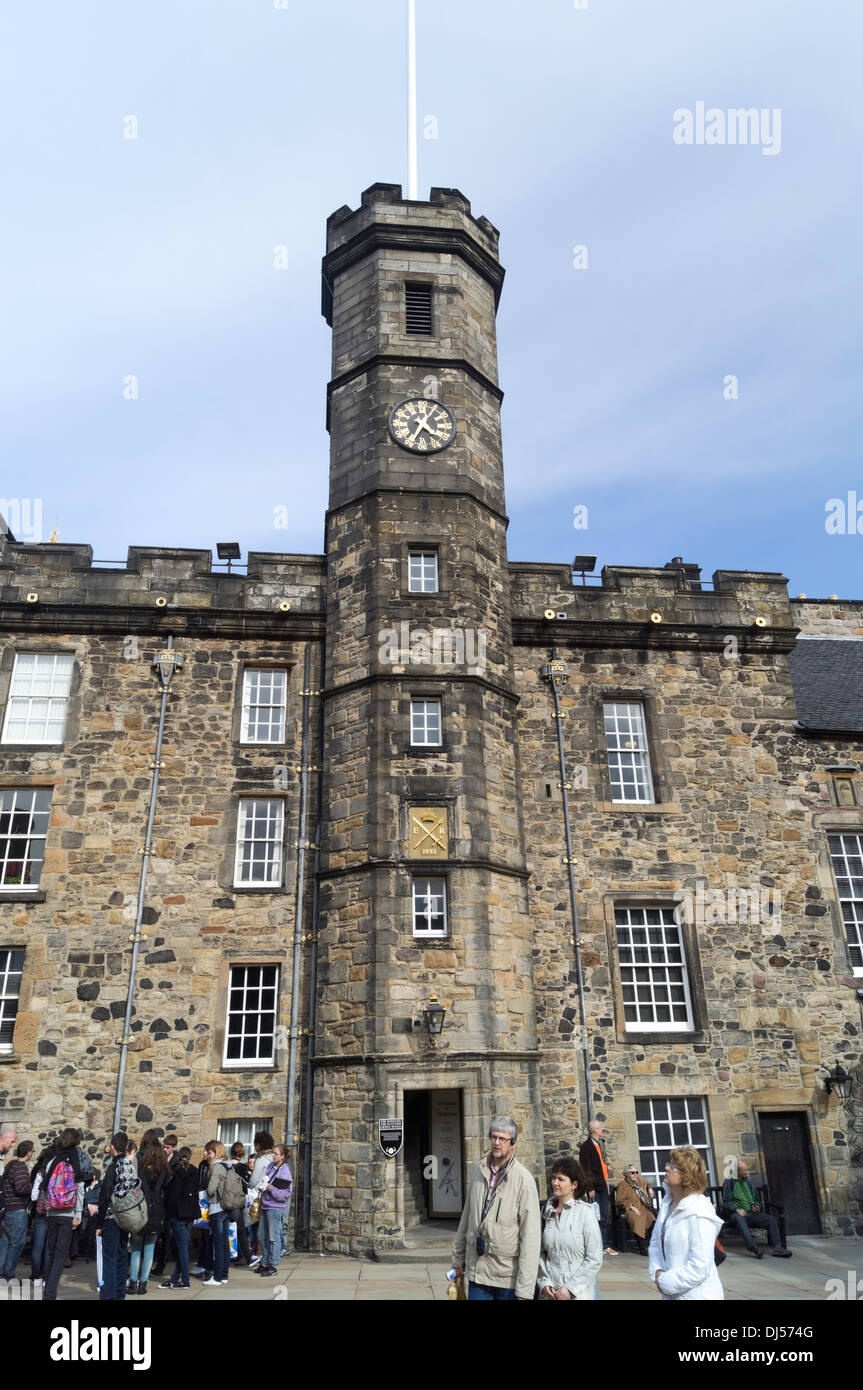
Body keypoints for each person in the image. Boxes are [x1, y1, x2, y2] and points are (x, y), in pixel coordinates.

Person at [452, 1117, 541, 1301]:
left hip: (507, 1278)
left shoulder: (524, 1180)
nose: (497, 1142)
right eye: (494, 1137)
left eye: (502, 1139)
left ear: (513, 1144)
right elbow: (466, 1218)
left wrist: (525, 1290)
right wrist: (457, 1261)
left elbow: (531, 1237)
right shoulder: (479, 1171)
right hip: (478, 1272)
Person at [649, 1147, 724, 1300]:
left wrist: (664, 1281)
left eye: (673, 1167)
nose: (666, 1168)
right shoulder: (667, 1204)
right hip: (671, 1293)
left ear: (686, 1176)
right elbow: (656, 1242)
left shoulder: (699, 1211)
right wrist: (657, 1272)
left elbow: (699, 1267)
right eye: (669, 1164)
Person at [538, 1156, 603, 1300]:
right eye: (554, 1178)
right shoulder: (545, 1212)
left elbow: (594, 1258)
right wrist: (544, 1283)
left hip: (580, 1295)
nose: (555, 1183)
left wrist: (570, 1288)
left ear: (574, 1184)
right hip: (550, 1295)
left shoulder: (585, 1213)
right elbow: (541, 1253)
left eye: (561, 1179)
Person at [41, 1127, 86, 1301]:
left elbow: (46, 1185)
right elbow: (80, 1188)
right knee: (61, 1254)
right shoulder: (76, 1159)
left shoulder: (53, 1160)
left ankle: (47, 1288)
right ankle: (50, 1294)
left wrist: (48, 1208)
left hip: (52, 1211)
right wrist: (78, 1213)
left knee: (51, 1252)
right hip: (67, 1212)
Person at [721, 1160, 792, 1258]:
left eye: (747, 1170)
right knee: (739, 1219)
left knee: (770, 1219)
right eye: (744, 1170)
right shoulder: (729, 1182)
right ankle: (752, 1247)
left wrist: (756, 1206)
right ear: (737, 1172)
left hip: (751, 1213)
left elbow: (756, 1198)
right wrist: (737, 1209)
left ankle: (777, 1248)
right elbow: (726, 1202)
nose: (747, 1172)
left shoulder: (748, 1182)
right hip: (737, 1214)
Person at [127, 1129, 169, 1295]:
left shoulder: (139, 1160)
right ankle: (143, 1283)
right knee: (150, 1246)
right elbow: (165, 1185)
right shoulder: (163, 1163)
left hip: (140, 1204)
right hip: (157, 1205)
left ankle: (133, 1281)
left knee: (137, 1246)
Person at [95, 1132, 134, 1301]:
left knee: (109, 1259)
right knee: (121, 1257)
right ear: (126, 1147)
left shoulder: (112, 1167)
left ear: (112, 1147)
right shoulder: (130, 1166)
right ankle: (119, 1295)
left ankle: (108, 1296)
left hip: (112, 1218)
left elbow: (105, 1196)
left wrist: (98, 1223)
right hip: (126, 1217)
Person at [160, 1146, 199, 1289]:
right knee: (183, 1247)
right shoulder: (195, 1172)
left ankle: (185, 1281)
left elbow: (172, 1197)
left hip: (179, 1214)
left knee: (182, 1249)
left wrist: (168, 1215)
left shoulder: (177, 1173)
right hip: (191, 1214)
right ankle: (174, 1279)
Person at [578, 1120, 618, 1255]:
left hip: (602, 1184)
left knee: (604, 1215)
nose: (602, 1129)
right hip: (594, 1186)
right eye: (600, 1128)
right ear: (594, 1130)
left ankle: (605, 1245)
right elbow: (585, 1169)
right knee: (596, 1216)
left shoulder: (600, 1144)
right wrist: (589, 1188)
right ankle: (598, 1245)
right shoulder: (586, 1147)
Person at [257, 1142, 292, 1277]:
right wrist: (263, 1186)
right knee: (261, 1236)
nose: (273, 1155)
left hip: (275, 1208)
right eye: (273, 1152)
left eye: (276, 1153)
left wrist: (271, 1188)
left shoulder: (285, 1172)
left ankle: (274, 1265)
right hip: (265, 1204)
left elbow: (284, 1195)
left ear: (282, 1157)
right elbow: (265, 1180)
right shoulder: (271, 1166)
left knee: (273, 1237)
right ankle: (264, 1262)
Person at [0, 1139, 34, 1278]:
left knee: (5, 1244)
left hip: (7, 1210)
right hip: (17, 1211)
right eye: (32, 1151)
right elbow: (21, 1187)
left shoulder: (10, 1166)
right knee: (17, 1244)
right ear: (28, 1152)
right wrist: (33, 1187)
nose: (32, 1153)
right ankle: (8, 1274)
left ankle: (1, 1274)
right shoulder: (20, 1167)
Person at [204, 1140, 232, 1287]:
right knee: (224, 1242)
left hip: (217, 1208)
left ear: (216, 1152)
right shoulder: (227, 1166)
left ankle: (217, 1276)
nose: (206, 1154)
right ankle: (224, 1274)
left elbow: (210, 1190)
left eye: (209, 1152)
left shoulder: (216, 1167)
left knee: (218, 1244)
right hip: (226, 1208)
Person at [29, 1141, 57, 1286]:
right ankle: (46, 1278)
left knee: (37, 1246)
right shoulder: (58, 1173)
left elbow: (34, 1196)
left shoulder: (41, 1173)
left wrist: (41, 1196)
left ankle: (35, 1276)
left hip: (40, 1213)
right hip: (54, 1212)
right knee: (49, 1247)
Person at [247, 1130, 276, 1267]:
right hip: (276, 1198)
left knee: (262, 1233)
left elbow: (253, 1181)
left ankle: (266, 1262)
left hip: (263, 1197)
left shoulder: (261, 1159)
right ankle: (269, 1261)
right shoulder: (275, 1157)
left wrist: (248, 1184)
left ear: (258, 1145)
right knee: (272, 1232)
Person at [615, 1163, 655, 1255]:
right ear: (627, 1174)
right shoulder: (623, 1184)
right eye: (632, 1173)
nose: (635, 1175)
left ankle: (652, 1246)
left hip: (643, 1207)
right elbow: (619, 1200)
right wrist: (631, 1207)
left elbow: (647, 1183)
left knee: (652, 1218)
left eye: (636, 1172)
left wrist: (650, 1189)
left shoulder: (640, 1181)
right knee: (637, 1220)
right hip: (630, 1209)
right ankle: (642, 1248)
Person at [227, 1141, 253, 1266]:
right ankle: (247, 1256)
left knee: (226, 1229)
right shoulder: (244, 1168)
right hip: (238, 1201)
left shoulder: (226, 1166)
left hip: (226, 1200)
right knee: (241, 1230)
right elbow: (248, 1184)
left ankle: (230, 1256)